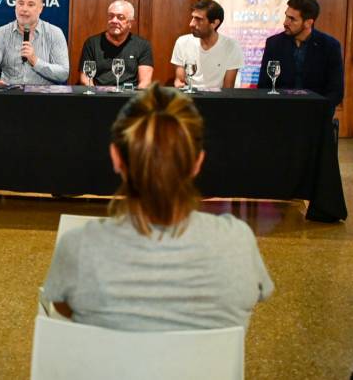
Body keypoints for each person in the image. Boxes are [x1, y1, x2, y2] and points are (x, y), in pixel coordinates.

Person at [44, 84, 274, 331]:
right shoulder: (237, 241)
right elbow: (257, 294)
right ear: (198, 162)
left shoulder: (79, 246)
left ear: (116, 158)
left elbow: (62, 307)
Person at [258, 0, 344, 115]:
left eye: (292, 19)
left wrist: (318, 111)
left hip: (316, 114)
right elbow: (263, 85)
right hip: (279, 113)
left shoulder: (329, 46)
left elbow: (336, 91)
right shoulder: (274, 43)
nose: (285, 22)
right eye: (286, 16)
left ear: (308, 23)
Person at [0, 0, 69, 86]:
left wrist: (35, 61)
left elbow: (63, 73)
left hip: (43, 97)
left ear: (40, 8)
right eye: (20, 3)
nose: (24, 9)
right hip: (10, 95)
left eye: (30, 5)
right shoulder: (1, 33)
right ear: (15, 6)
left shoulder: (55, 33)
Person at [79, 0, 153, 88]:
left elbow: (145, 82)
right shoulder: (92, 43)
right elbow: (85, 78)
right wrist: (95, 95)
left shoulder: (142, 45)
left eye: (120, 17)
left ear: (130, 23)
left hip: (129, 96)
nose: (114, 20)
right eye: (111, 16)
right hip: (99, 95)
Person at [171, 0, 244, 89]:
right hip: (190, 97)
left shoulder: (232, 46)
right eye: (192, 18)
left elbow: (228, 88)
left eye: (198, 19)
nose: (191, 24)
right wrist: (179, 84)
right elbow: (179, 80)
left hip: (218, 99)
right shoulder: (182, 42)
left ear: (214, 23)